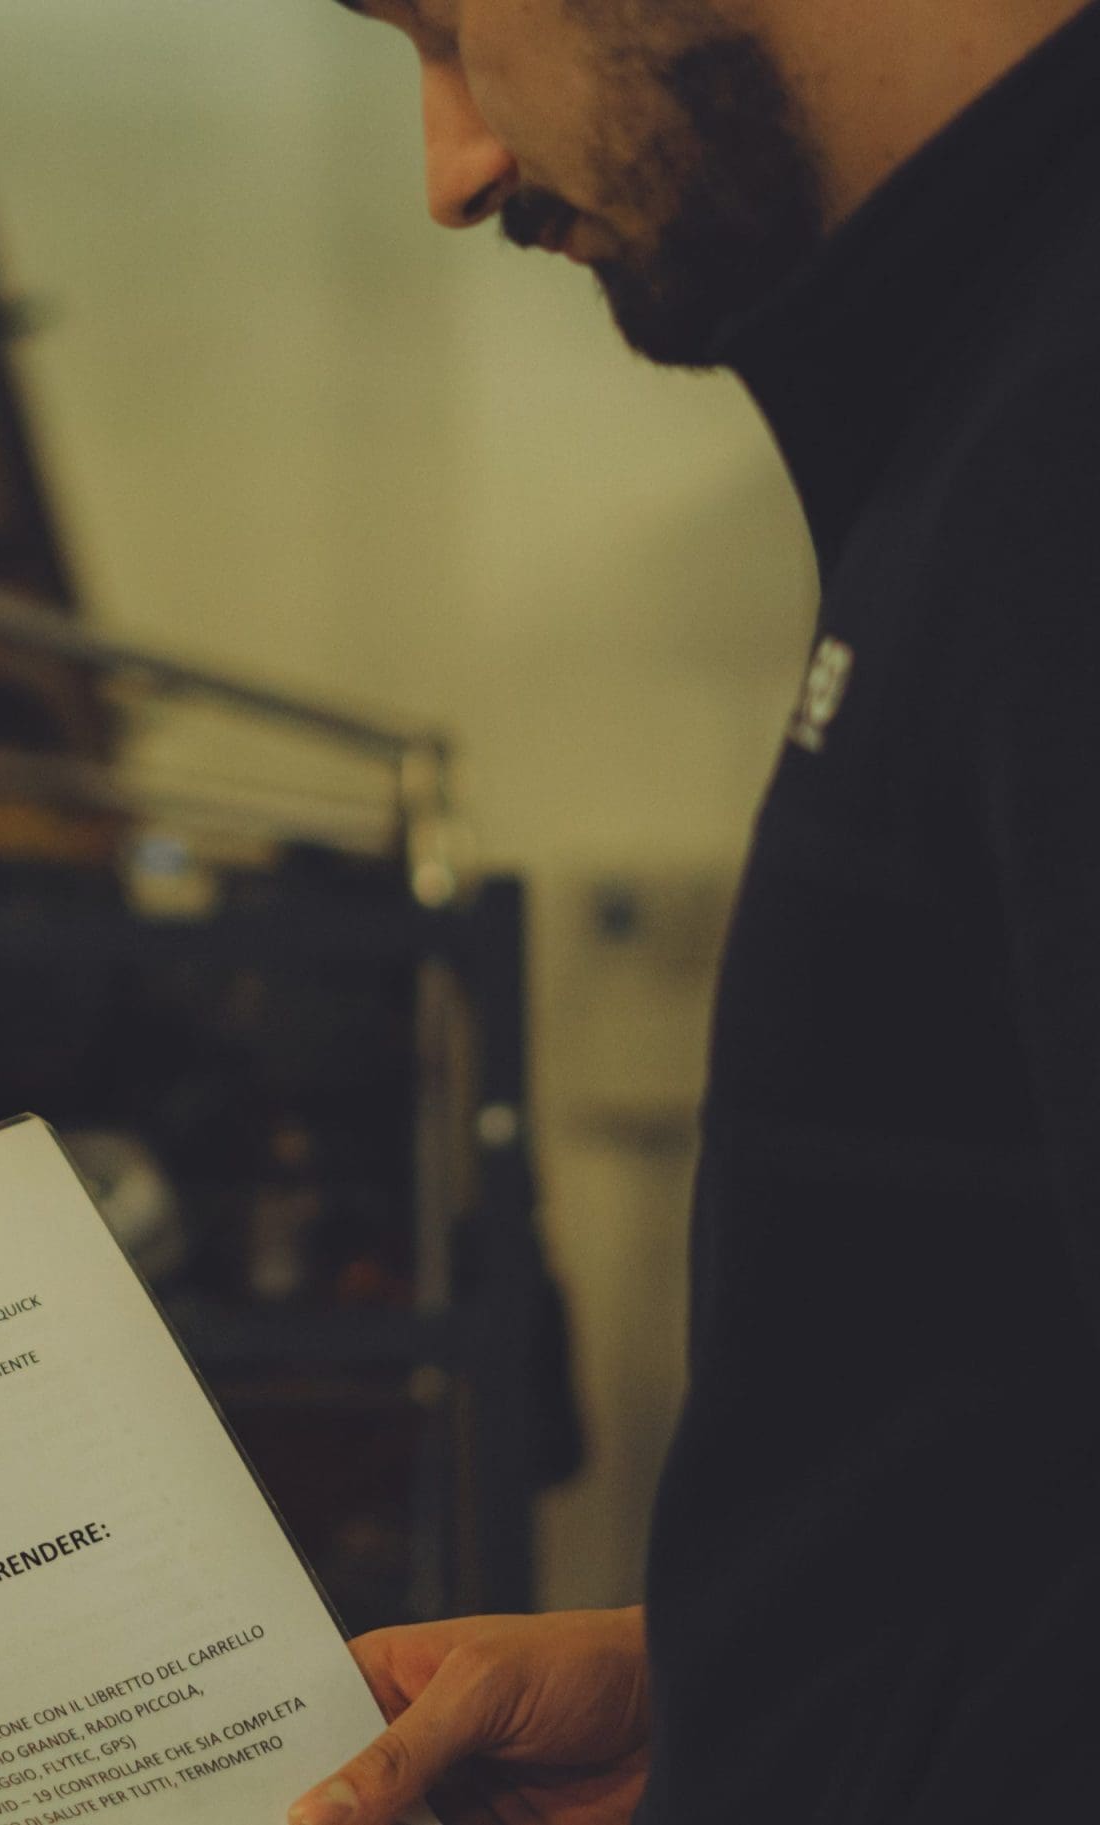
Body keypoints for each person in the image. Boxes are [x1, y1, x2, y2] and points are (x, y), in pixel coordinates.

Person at [287, 1, 1100, 1821]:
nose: (453, 168)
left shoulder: (1069, 444)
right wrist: (760, 1698)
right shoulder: (991, 400)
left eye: (446, 25)